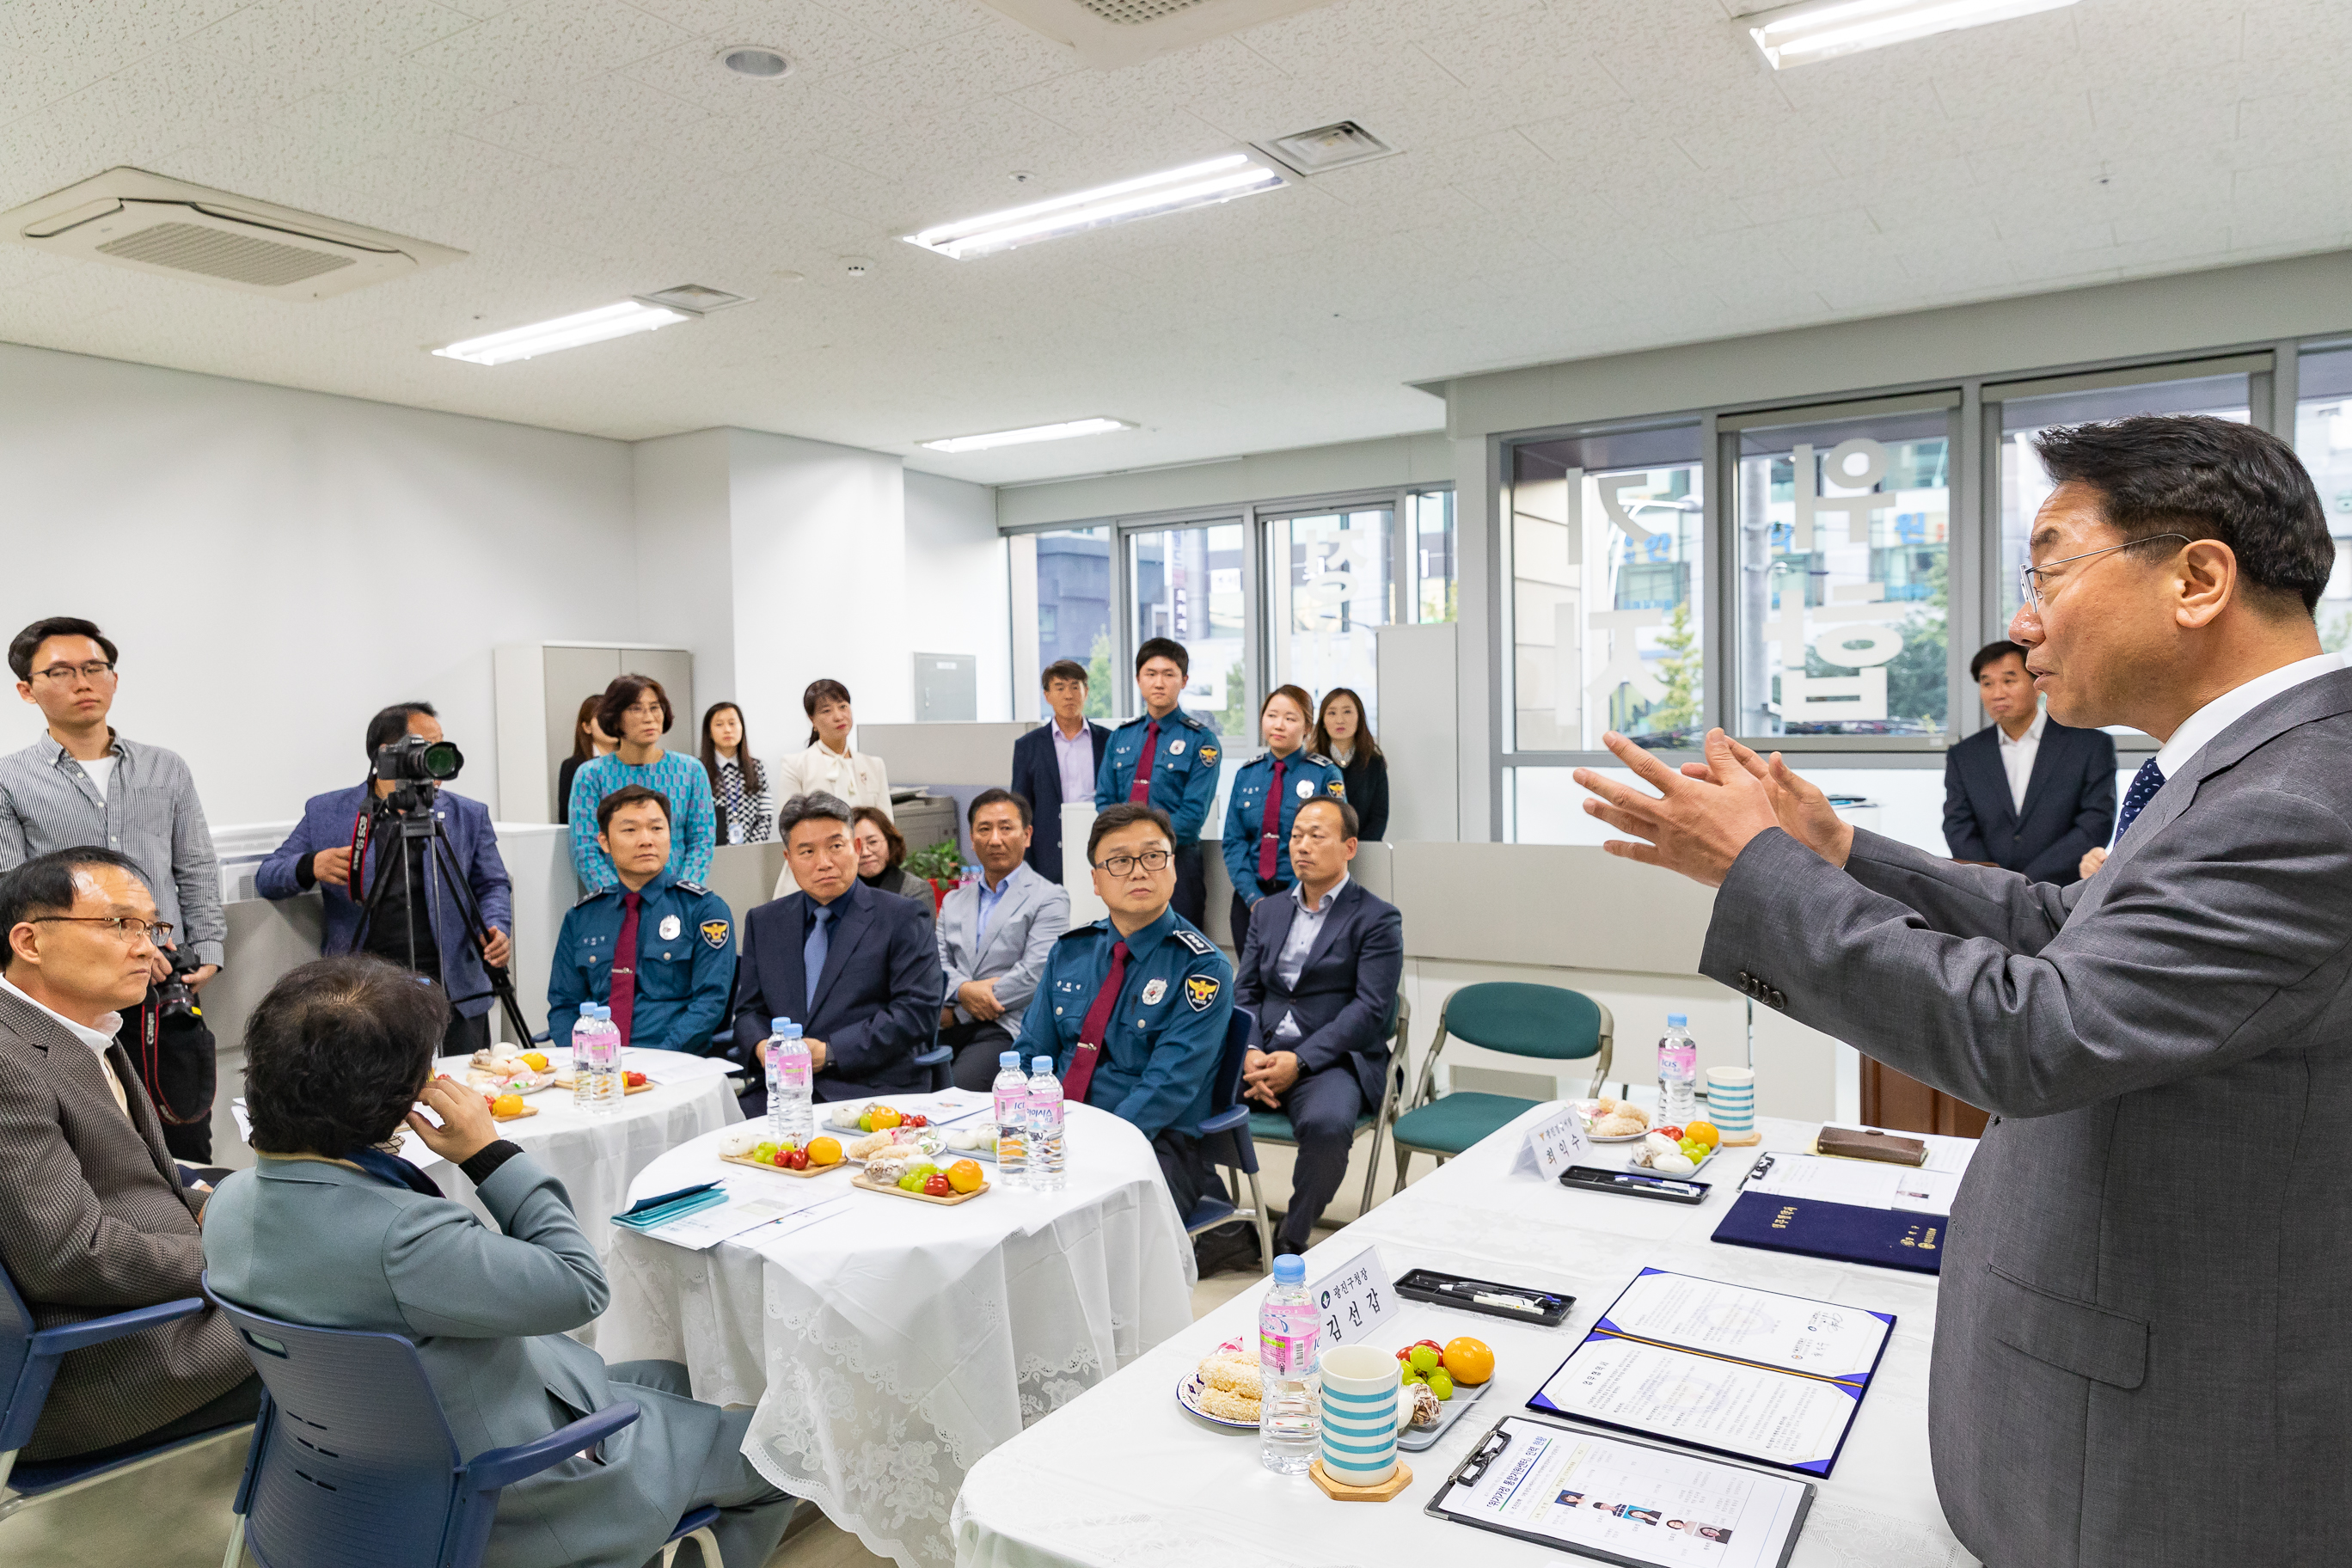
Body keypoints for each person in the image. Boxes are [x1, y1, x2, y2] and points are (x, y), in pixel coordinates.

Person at [1570, 413, 2349, 1568]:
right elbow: (2063, 926)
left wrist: (1759, 871)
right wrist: (1841, 853)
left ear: (2197, 577)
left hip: (2166, 1449)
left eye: (2049, 567)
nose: (2025, 624)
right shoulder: (2241, 770)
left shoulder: (2297, 804)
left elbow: (2037, 1029)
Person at [203, 955, 795, 1568]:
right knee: (785, 1453)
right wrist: (489, 1153)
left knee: (675, 1377)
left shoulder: (229, 1204)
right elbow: (580, 1285)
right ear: (399, 1099)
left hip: (367, 1477)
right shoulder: (404, 1239)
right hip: (509, 1492)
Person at [0, 848, 259, 1466]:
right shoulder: (9, 1063)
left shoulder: (84, 1028)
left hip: (161, 1305)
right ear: (29, 941)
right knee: (380, 1325)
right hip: (116, 1362)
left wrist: (205, 1203)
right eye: (120, 924)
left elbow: (140, 1179)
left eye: (152, 927)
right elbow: (69, 1256)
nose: (150, 948)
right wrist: (241, 1256)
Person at [2, 616, 227, 1159]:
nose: (83, 682)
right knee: (97, 1139)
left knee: (185, 1131)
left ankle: (192, 1238)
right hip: (69, 987)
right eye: (60, 672)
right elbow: (11, 890)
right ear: (27, 690)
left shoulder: (165, 768)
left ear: (114, 678)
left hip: (167, 979)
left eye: (94, 667)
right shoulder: (10, 778)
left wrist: (211, 952)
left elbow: (195, 865)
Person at [256, 702, 515, 1057]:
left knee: (463, 1092)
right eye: (427, 747)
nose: (439, 758)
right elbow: (268, 876)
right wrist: (310, 865)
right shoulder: (328, 811)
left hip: (455, 985)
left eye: (442, 745)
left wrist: (497, 926)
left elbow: (493, 884)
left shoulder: (467, 814)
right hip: (365, 993)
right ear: (387, 755)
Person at [1014, 803, 1232, 1222]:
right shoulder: (1071, 951)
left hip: (1152, 1143)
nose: (1138, 871)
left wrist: (1087, 1146)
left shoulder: (1202, 970)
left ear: (1173, 866)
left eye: (1152, 856)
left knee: (1079, 1224)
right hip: (1053, 1129)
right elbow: (1029, 1052)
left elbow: (1165, 1088)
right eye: (1119, 861)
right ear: (1096, 881)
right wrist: (1024, 1127)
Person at [1233, 796, 1402, 1256]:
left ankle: (1291, 1236)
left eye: (1316, 836)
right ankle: (1226, 1231)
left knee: (1328, 1125)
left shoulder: (1376, 918)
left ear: (1349, 847)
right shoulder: (1267, 912)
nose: (1302, 846)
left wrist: (1301, 1061)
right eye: (1295, 836)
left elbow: (1370, 1009)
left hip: (1331, 1059)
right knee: (1182, 1095)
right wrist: (1249, 1053)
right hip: (1261, 1052)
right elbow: (1244, 994)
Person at [728, 793, 940, 1115]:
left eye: (835, 846)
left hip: (871, 1089)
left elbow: (916, 1012)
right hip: (782, 1091)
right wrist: (763, 1048)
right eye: (807, 851)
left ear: (855, 848)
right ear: (789, 858)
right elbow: (748, 1012)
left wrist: (830, 1052)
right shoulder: (765, 921)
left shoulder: (902, 916)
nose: (823, 862)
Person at [548, 787, 733, 1055]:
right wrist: (583, 1056)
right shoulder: (582, 917)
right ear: (604, 842)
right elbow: (564, 1005)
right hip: (596, 1064)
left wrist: (658, 1060)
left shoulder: (704, 910)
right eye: (630, 830)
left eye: (657, 828)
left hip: (674, 1062)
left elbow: (710, 1002)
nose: (646, 840)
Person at [1941, 640, 2116, 884]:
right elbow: (1958, 826)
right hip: (1989, 893)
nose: (1997, 693)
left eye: (2009, 680)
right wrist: (1996, 881)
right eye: (1987, 683)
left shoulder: (2089, 745)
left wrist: (2027, 880)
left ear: (2037, 684)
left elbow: (2095, 822)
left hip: (2065, 889)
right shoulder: (1964, 755)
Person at [935, 789, 1069, 1090]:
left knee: (959, 1088)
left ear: (1027, 835)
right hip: (946, 1027)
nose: (995, 839)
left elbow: (1035, 974)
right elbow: (936, 964)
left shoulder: (1050, 898)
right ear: (971, 838)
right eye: (984, 829)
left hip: (1010, 1026)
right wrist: (965, 990)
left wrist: (959, 1012)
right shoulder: (954, 901)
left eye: (1006, 828)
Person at [1093, 639, 1221, 927]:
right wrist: (1129, 850)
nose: (1159, 683)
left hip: (1175, 862)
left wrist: (1143, 848)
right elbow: (1105, 801)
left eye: (1169, 674)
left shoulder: (1202, 742)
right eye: (1151, 674)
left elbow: (1191, 817)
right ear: (1139, 679)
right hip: (1123, 866)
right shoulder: (1121, 737)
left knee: (1180, 952)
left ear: (1184, 680)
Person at [566, 674, 716, 896]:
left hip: (679, 898)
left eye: (655, 707)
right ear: (615, 719)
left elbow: (702, 840)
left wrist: (682, 894)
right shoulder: (591, 775)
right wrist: (620, 898)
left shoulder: (691, 770)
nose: (649, 717)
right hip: (616, 903)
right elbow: (585, 849)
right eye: (636, 709)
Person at [1221, 685, 1345, 941]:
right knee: (1249, 979)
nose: (1279, 725)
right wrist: (1253, 897)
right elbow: (1234, 841)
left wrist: (1292, 897)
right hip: (1250, 900)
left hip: (1307, 896)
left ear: (1308, 727)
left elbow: (1331, 842)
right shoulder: (1247, 774)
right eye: (1272, 715)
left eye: (1290, 719)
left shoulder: (1324, 774)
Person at [1009, 658, 1110, 885]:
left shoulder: (1109, 741)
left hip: (1099, 846)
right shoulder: (1028, 746)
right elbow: (1020, 808)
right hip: (1048, 854)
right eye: (1060, 688)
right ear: (1047, 695)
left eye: (1076, 686)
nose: (1069, 695)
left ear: (1086, 692)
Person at [772, 679, 892, 820]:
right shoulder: (794, 766)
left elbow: (886, 824)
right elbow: (790, 825)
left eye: (843, 706)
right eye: (827, 711)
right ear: (812, 719)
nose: (839, 716)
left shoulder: (874, 765)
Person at [1313, 687, 1389, 842]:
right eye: (1332, 713)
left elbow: (1379, 816)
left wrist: (1354, 848)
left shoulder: (1374, 762)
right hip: (1320, 849)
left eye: (1347, 712)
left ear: (1359, 717)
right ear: (1323, 722)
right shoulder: (1312, 763)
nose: (1340, 720)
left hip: (1365, 849)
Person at [843, 805, 933, 922]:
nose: (865, 852)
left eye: (873, 842)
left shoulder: (915, 890)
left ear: (890, 842)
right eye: (856, 846)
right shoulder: (841, 890)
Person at [700, 701, 772, 846]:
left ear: (742, 728)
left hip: (752, 851)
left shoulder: (757, 768)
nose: (727, 730)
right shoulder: (698, 770)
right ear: (709, 733)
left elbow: (765, 816)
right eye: (719, 724)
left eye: (732, 723)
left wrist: (750, 847)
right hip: (712, 852)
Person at [554, 696, 615, 826]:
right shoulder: (574, 766)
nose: (610, 724)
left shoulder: (632, 761)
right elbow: (567, 819)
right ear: (587, 727)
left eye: (614, 718)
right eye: (602, 719)